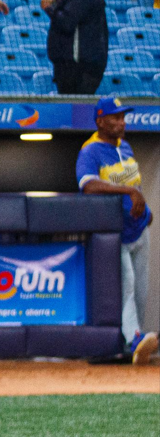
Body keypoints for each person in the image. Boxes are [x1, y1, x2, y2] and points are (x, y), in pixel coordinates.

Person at [77, 97, 157, 365]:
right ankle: (133, 338)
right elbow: (88, 185)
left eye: (123, 117)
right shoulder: (90, 151)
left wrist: (143, 205)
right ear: (100, 121)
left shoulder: (126, 146)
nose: (121, 122)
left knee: (142, 290)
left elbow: (135, 183)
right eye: (115, 118)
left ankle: (135, 343)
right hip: (115, 232)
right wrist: (130, 192)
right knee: (127, 286)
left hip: (138, 228)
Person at [42, 0, 107, 94]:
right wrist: (62, 2)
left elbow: (66, 22)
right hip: (74, 68)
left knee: (78, 112)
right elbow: (76, 14)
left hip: (79, 70)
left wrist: (49, 7)